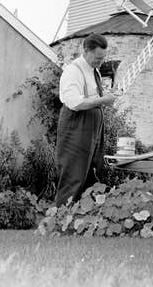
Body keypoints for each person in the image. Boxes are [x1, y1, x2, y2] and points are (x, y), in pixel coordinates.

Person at [55, 33, 118, 206]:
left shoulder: (93, 70)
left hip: (92, 128)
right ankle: (60, 218)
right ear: (86, 51)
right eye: (98, 58)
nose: (100, 62)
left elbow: (91, 97)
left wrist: (106, 97)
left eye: (103, 58)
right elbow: (75, 102)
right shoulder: (73, 71)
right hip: (76, 126)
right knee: (73, 173)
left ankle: (84, 218)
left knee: (92, 172)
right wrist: (102, 100)